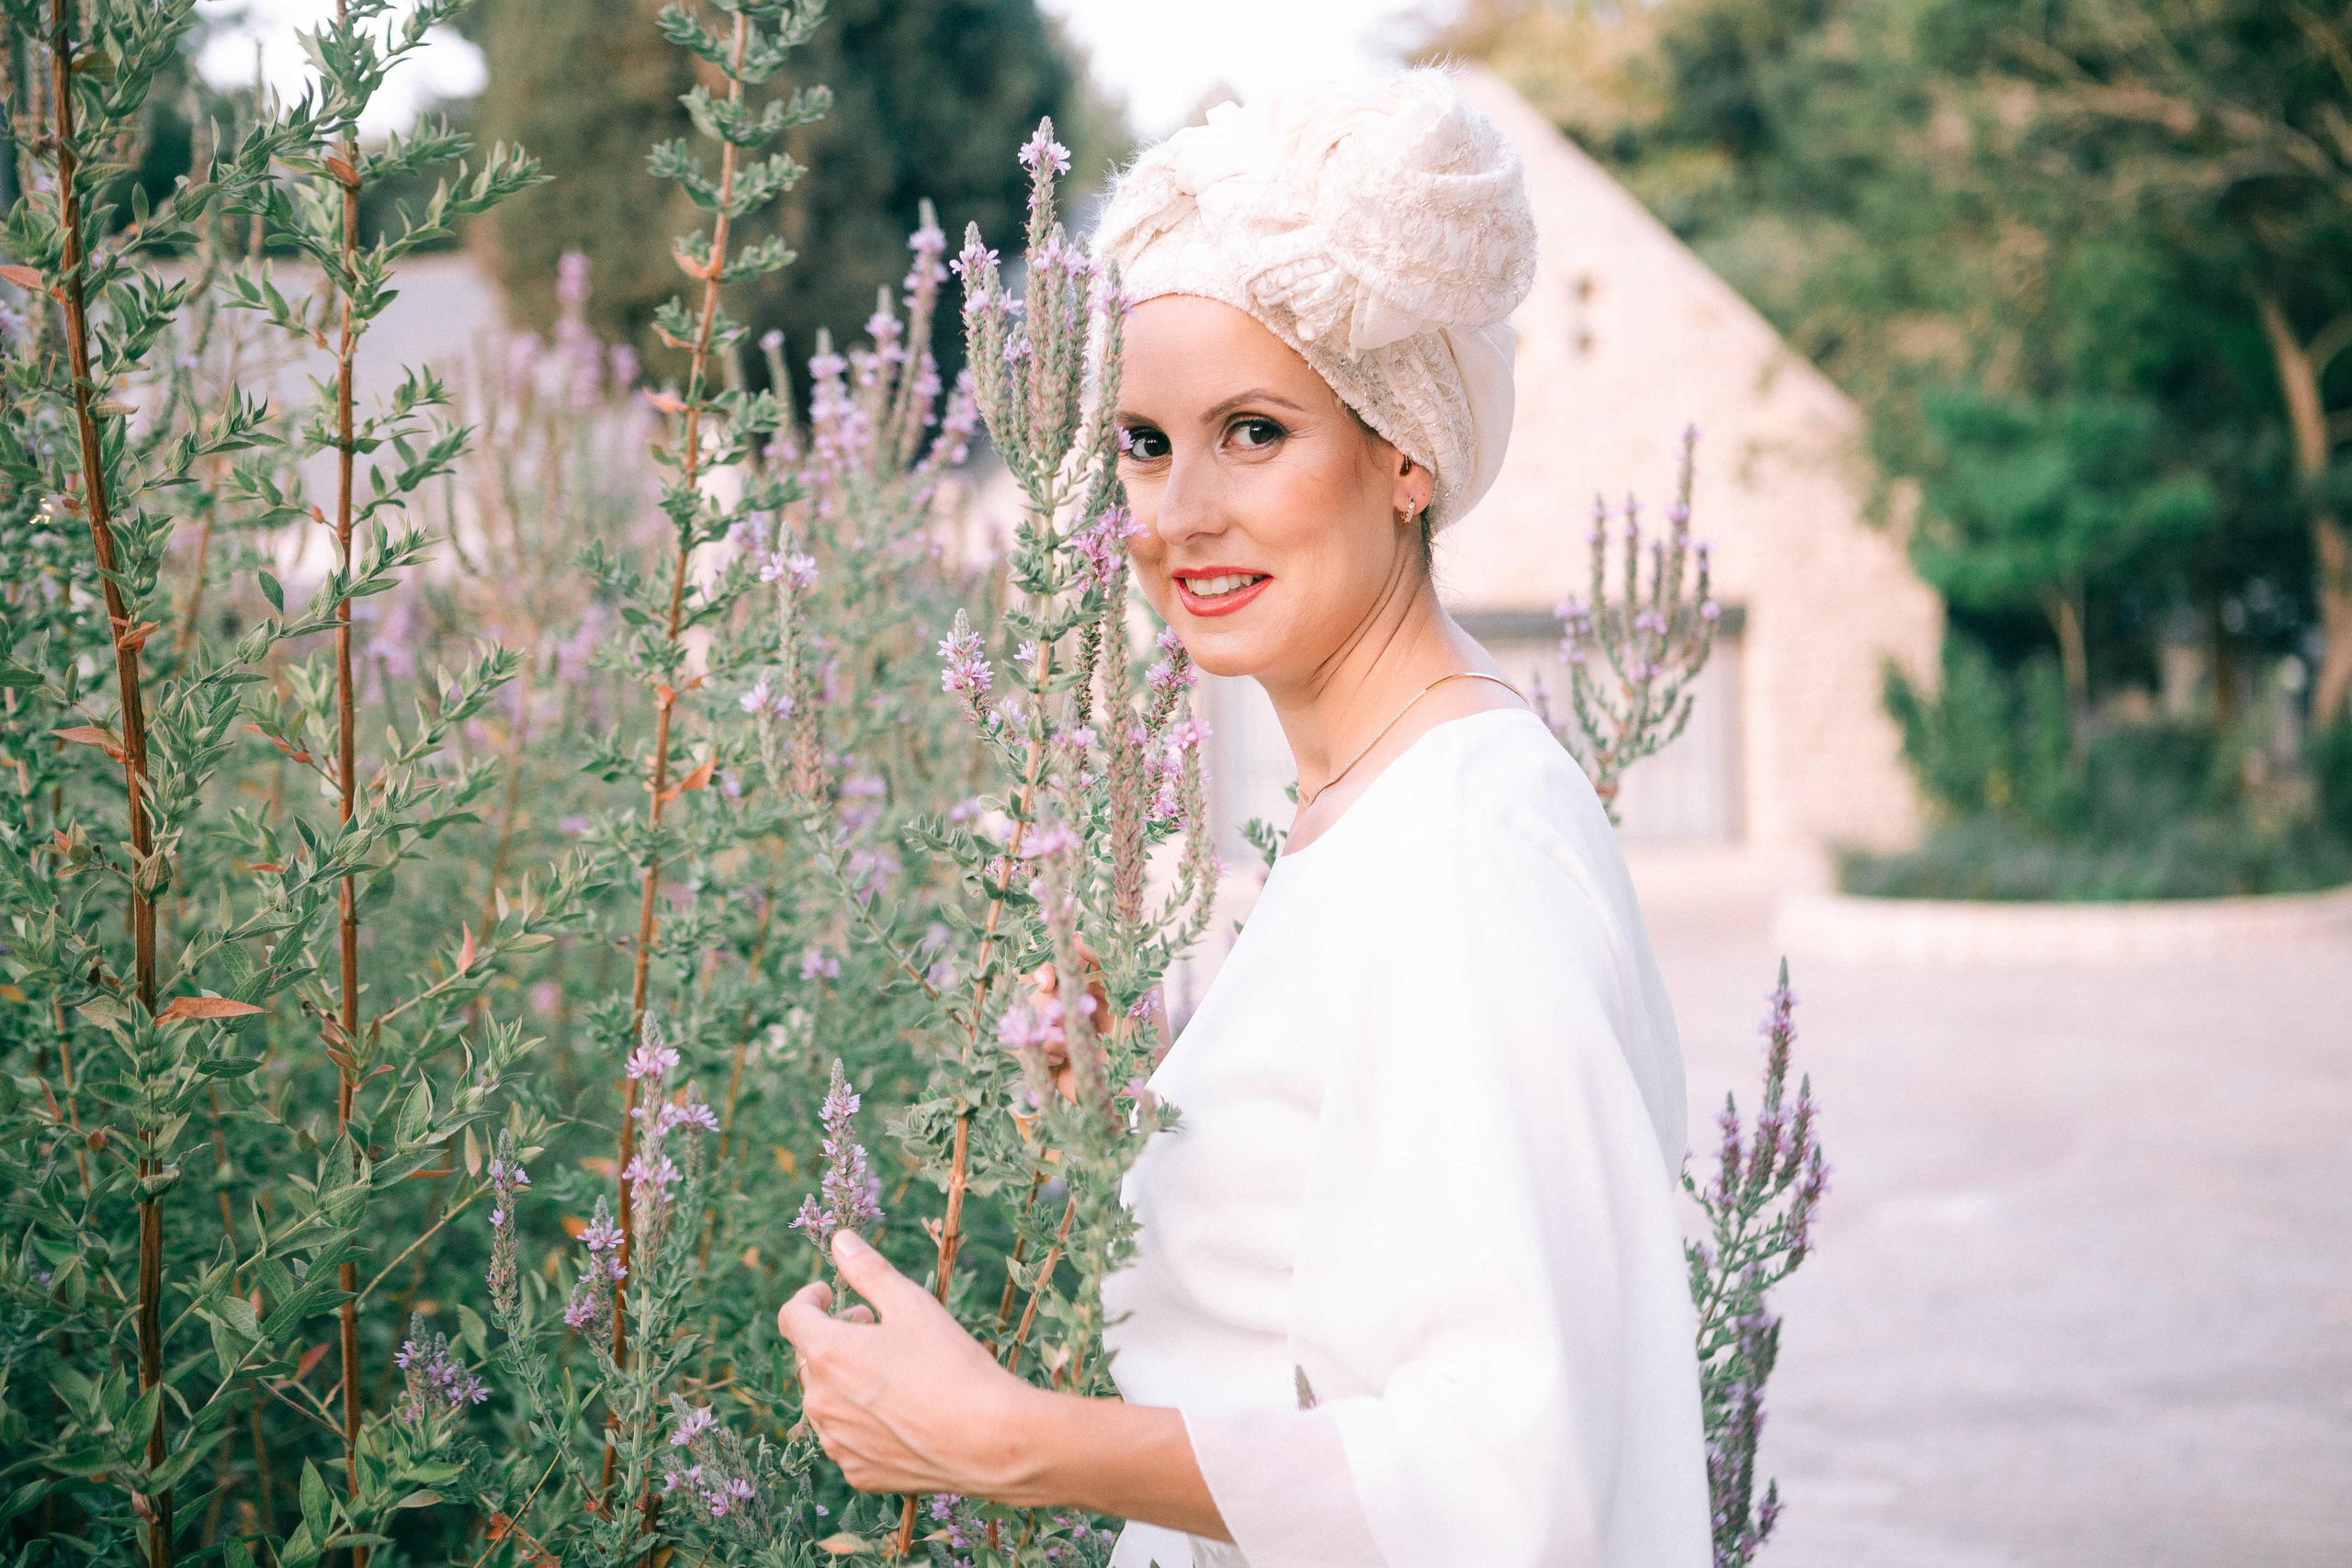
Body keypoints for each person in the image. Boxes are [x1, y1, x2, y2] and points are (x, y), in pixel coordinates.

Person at [776, 69, 1712, 1567]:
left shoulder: (1459, 849)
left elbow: (1501, 1478)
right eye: (1145, 442)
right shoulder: (1380, 805)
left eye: (1255, 431)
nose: (1176, 512)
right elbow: (1325, 1299)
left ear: (1408, 452)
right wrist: (1134, 1103)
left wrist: (1002, 1439)